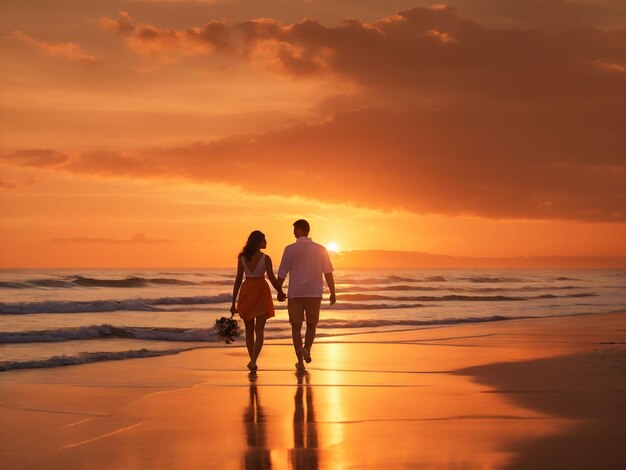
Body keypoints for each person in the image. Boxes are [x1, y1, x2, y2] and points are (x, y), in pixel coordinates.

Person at [277, 219, 336, 372]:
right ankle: (307, 349)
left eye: (295, 229)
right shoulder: (321, 249)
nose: (293, 232)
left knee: (296, 328)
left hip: (296, 293)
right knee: (311, 325)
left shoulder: (290, 249)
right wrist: (333, 292)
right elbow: (328, 272)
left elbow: (282, 273)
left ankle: (300, 362)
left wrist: (279, 290)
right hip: (314, 293)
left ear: (302, 230)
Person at [231, 230, 286, 372]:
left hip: (247, 290)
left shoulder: (242, 257)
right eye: (264, 239)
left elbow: (238, 280)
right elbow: (272, 278)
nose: (266, 242)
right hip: (261, 290)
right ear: (258, 241)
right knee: (259, 330)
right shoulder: (265, 258)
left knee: (250, 331)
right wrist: (280, 291)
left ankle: (253, 362)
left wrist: (233, 302)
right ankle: (253, 360)